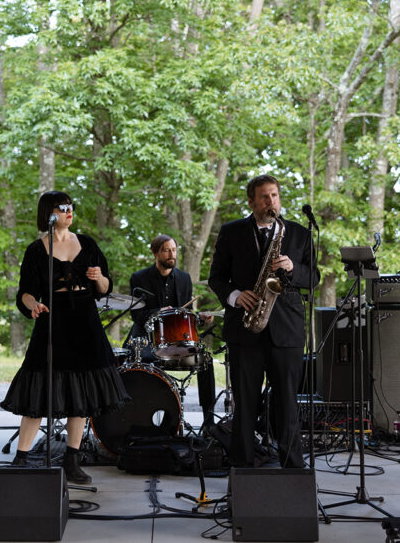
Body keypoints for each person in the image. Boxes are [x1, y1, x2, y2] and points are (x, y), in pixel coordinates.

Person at [0, 191, 129, 484]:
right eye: (63, 207)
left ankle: (72, 459)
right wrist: (33, 305)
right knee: (39, 388)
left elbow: (106, 288)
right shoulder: (36, 250)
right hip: (52, 319)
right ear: (49, 213)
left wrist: (98, 278)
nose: (70, 211)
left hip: (85, 319)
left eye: (72, 206)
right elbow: (26, 292)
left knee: (81, 394)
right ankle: (22, 458)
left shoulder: (88, 244)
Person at [208, 174, 315, 468]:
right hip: (245, 328)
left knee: (287, 403)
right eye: (265, 197)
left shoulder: (298, 233)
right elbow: (216, 278)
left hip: (287, 329)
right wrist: (234, 296)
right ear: (251, 201)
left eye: (275, 196)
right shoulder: (231, 232)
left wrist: (293, 269)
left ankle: (293, 466)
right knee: (245, 403)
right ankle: (242, 467)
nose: (272, 202)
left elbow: (314, 278)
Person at [129, 234, 217, 427]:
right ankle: (142, 419)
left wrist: (200, 318)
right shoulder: (139, 278)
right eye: (166, 250)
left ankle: (209, 423)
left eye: (174, 250)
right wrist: (157, 312)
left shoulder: (184, 279)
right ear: (155, 253)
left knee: (206, 362)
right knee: (140, 362)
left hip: (177, 343)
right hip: (148, 342)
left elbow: (186, 315)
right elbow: (136, 316)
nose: (172, 254)